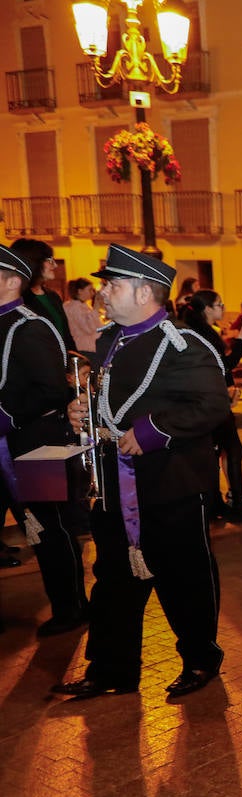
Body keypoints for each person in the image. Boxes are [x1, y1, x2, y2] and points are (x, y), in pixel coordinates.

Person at [54, 244, 229, 699]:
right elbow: (112, 398)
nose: (103, 293)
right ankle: (111, 669)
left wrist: (153, 431)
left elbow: (211, 405)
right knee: (113, 576)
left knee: (183, 576)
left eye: (113, 285)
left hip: (170, 481)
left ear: (144, 291)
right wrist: (83, 411)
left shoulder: (184, 344)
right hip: (114, 479)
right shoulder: (111, 339)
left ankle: (200, 659)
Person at [0, 243, 88, 636]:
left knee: (50, 528)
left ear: (12, 281)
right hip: (7, 445)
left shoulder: (30, 326)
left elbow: (52, 389)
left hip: (37, 444)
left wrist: (7, 416)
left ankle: (71, 608)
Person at [181, 290, 242, 525]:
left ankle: (219, 501)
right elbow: (223, 365)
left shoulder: (202, 330)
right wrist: (241, 342)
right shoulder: (202, 333)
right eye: (219, 305)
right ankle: (236, 502)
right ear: (207, 309)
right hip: (211, 402)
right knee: (231, 449)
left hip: (211, 400)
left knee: (223, 451)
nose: (223, 308)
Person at [12, 238, 76, 353]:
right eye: (50, 260)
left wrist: (74, 356)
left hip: (62, 359)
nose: (55, 265)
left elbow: (66, 335)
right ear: (33, 262)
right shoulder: (20, 299)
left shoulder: (53, 296)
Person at [64, 278, 102, 360]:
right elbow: (89, 329)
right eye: (90, 290)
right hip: (84, 347)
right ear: (80, 291)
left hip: (89, 347)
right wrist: (96, 308)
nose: (92, 292)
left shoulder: (82, 306)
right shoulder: (74, 307)